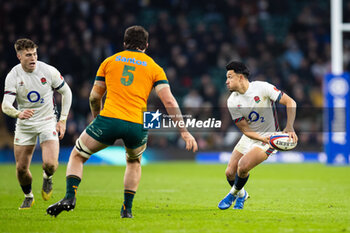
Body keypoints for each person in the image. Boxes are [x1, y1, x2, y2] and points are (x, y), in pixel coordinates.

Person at [46, 25, 198, 218]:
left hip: (109, 119)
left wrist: (97, 118)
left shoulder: (109, 61)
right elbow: (168, 100)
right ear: (146, 45)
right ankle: (127, 209)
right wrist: (184, 132)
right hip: (137, 124)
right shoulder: (154, 67)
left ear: (124, 43)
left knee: (78, 155)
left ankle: (69, 197)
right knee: (134, 162)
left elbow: (94, 97)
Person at [1, 38, 72, 209]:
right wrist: (19, 113)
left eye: (34, 54)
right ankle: (28, 196)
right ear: (19, 56)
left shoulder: (47, 71)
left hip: (47, 121)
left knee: (51, 164)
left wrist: (62, 120)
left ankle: (47, 178)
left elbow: (66, 92)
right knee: (21, 169)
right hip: (25, 124)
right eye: (28, 55)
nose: (33, 58)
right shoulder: (13, 76)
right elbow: (5, 105)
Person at [218, 61, 298, 210]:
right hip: (252, 136)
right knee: (229, 172)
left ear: (240, 77)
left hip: (270, 139)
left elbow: (290, 102)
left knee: (242, 167)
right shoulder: (232, 101)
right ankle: (242, 195)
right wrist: (259, 137)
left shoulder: (262, 87)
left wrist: (289, 126)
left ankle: (232, 194)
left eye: (230, 77)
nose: (226, 81)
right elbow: (245, 129)